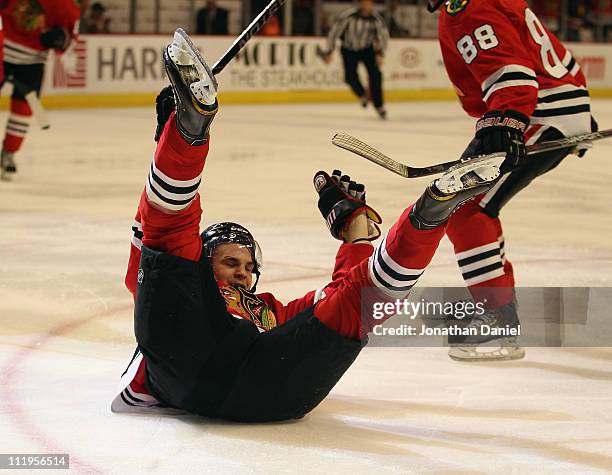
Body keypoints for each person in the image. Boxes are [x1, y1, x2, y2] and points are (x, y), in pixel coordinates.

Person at [111, 29, 511, 421]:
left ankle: (428, 216)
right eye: (230, 262)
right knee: (167, 238)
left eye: (248, 267)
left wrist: (355, 233)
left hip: (268, 387)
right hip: (190, 365)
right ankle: (188, 129)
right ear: (204, 261)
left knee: (359, 304)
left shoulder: (271, 311)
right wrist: (165, 142)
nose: (242, 272)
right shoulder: (192, 290)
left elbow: (339, 293)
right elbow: (149, 246)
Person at [426, 0, 596, 361]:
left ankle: (498, 322)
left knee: (465, 207)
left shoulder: (465, 7)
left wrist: (507, 120)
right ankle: (496, 307)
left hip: (535, 111)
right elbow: (549, 56)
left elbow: (511, 71)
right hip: (550, 107)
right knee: (469, 207)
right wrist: (577, 109)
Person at [0, 0, 80, 181]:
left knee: (25, 109)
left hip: (32, 62)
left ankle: (9, 153)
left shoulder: (66, 5)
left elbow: (70, 38)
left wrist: (61, 39)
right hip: (1, 49)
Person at [320, 0, 389, 120]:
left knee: (376, 76)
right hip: (349, 49)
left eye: (370, 3)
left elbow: (383, 35)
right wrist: (329, 51)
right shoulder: (348, 16)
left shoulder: (376, 18)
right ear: (361, 4)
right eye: (365, 3)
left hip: (367, 50)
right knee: (350, 76)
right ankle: (362, 94)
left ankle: (379, 106)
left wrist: (381, 54)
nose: (368, 6)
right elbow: (334, 33)